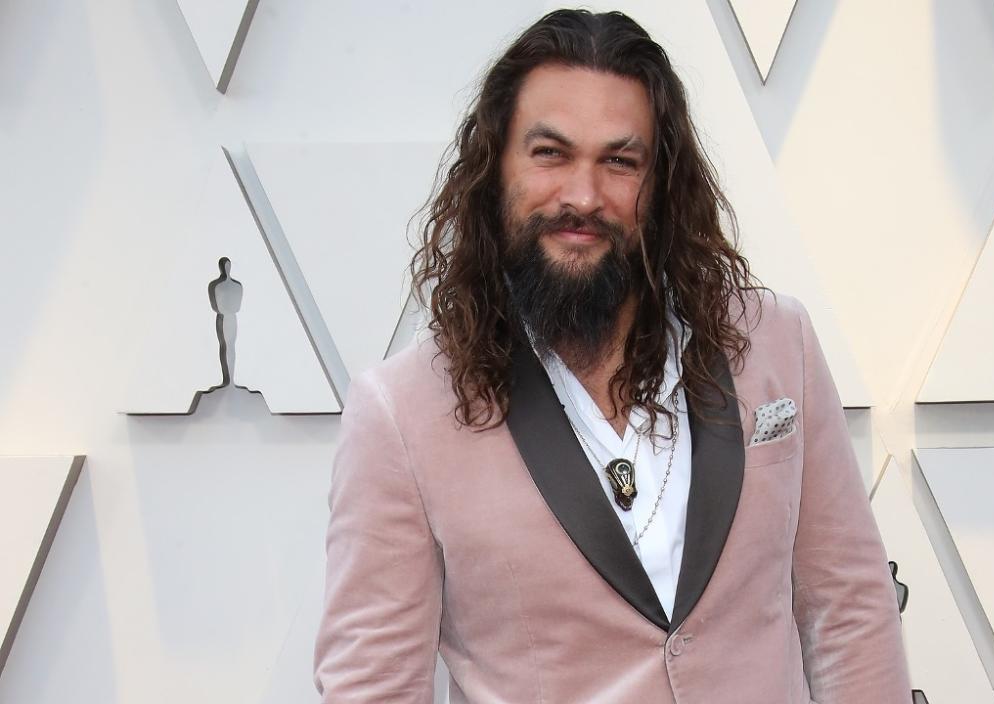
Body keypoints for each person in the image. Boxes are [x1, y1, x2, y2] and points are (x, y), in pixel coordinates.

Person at [313, 8, 910, 703]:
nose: (583, 196)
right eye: (550, 154)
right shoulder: (404, 412)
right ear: (494, 168)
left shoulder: (777, 343)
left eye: (619, 161)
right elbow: (373, 687)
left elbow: (850, 606)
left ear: (661, 184)